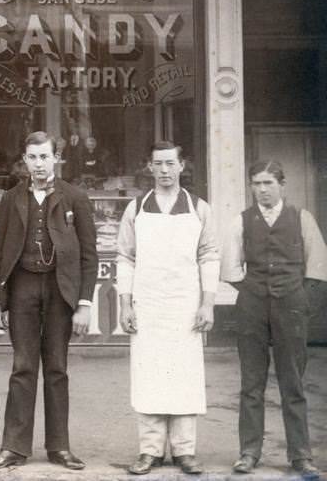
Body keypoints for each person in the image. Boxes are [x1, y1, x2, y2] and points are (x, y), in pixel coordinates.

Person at [0, 131, 97, 471]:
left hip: (61, 291)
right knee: (23, 367)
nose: (39, 164)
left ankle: (59, 447)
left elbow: (90, 255)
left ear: (56, 158)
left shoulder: (75, 197)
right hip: (22, 289)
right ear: (24, 160)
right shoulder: (11, 198)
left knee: (57, 368)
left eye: (44, 157)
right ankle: (13, 448)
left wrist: (85, 303)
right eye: (32, 158)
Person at [117, 141, 218, 475]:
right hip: (148, 305)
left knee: (184, 376)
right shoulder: (136, 209)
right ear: (149, 167)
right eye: (158, 164)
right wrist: (125, 303)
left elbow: (209, 255)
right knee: (149, 375)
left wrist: (207, 303)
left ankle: (185, 451)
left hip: (185, 306)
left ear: (181, 166)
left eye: (169, 163)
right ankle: (149, 451)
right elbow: (125, 257)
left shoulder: (199, 208)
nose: (164, 170)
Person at [220, 160, 327, 476]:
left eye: (268, 183)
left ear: (282, 185)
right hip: (252, 308)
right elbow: (229, 268)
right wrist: (252, 290)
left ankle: (300, 455)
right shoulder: (241, 221)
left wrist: (301, 301)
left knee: (292, 383)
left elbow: (318, 266)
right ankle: (249, 452)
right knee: (251, 383)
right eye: (256, 183)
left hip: (291, 307)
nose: (262, 190)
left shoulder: (301, 218)